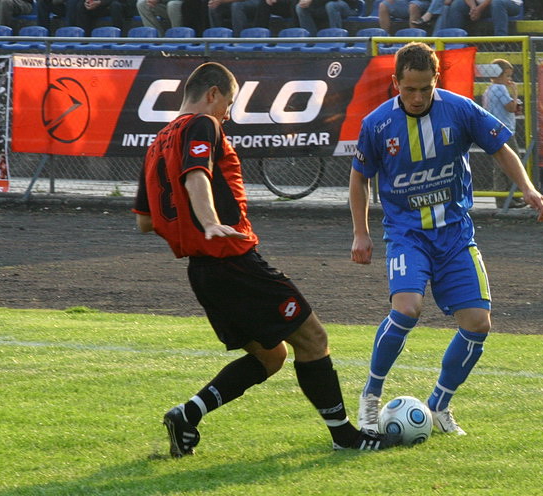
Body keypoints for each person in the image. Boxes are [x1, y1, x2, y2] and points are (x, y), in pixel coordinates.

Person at [133, 62, 400, 456]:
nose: (228, 114)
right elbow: (196, 175)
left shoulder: (158, 141)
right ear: (212, 94)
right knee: (313, 339)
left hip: (202, 272)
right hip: (233, 261)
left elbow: (143, 220)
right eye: (229, 103)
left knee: (271, 356)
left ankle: (186, 415)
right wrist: (209, 221)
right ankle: (347, 437)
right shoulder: (202, 124)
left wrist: (189, 228)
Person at [350, 42, 543, 436]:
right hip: (407, 234)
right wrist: (361, 232)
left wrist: (526, 187)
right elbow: (360, 177)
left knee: (478, 323)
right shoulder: (377, 124)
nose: (418, 97)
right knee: (407, 308)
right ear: (395, 84)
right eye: (410, 89)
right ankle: (370, 399)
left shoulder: (459, 109)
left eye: (426, 88)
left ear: (435, 80)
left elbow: (501, 148)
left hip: (455, 234)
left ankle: (439, 405)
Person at [482, 58, 527, 209]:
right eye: (507, 75)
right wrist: (515, 93)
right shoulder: (499, 89)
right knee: (511, 162)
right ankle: (507, 198)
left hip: (494, 129)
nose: (509, 79)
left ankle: (504, 198)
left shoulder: (489, 89)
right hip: (504, 129)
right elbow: (510, 107)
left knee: (501, 164)